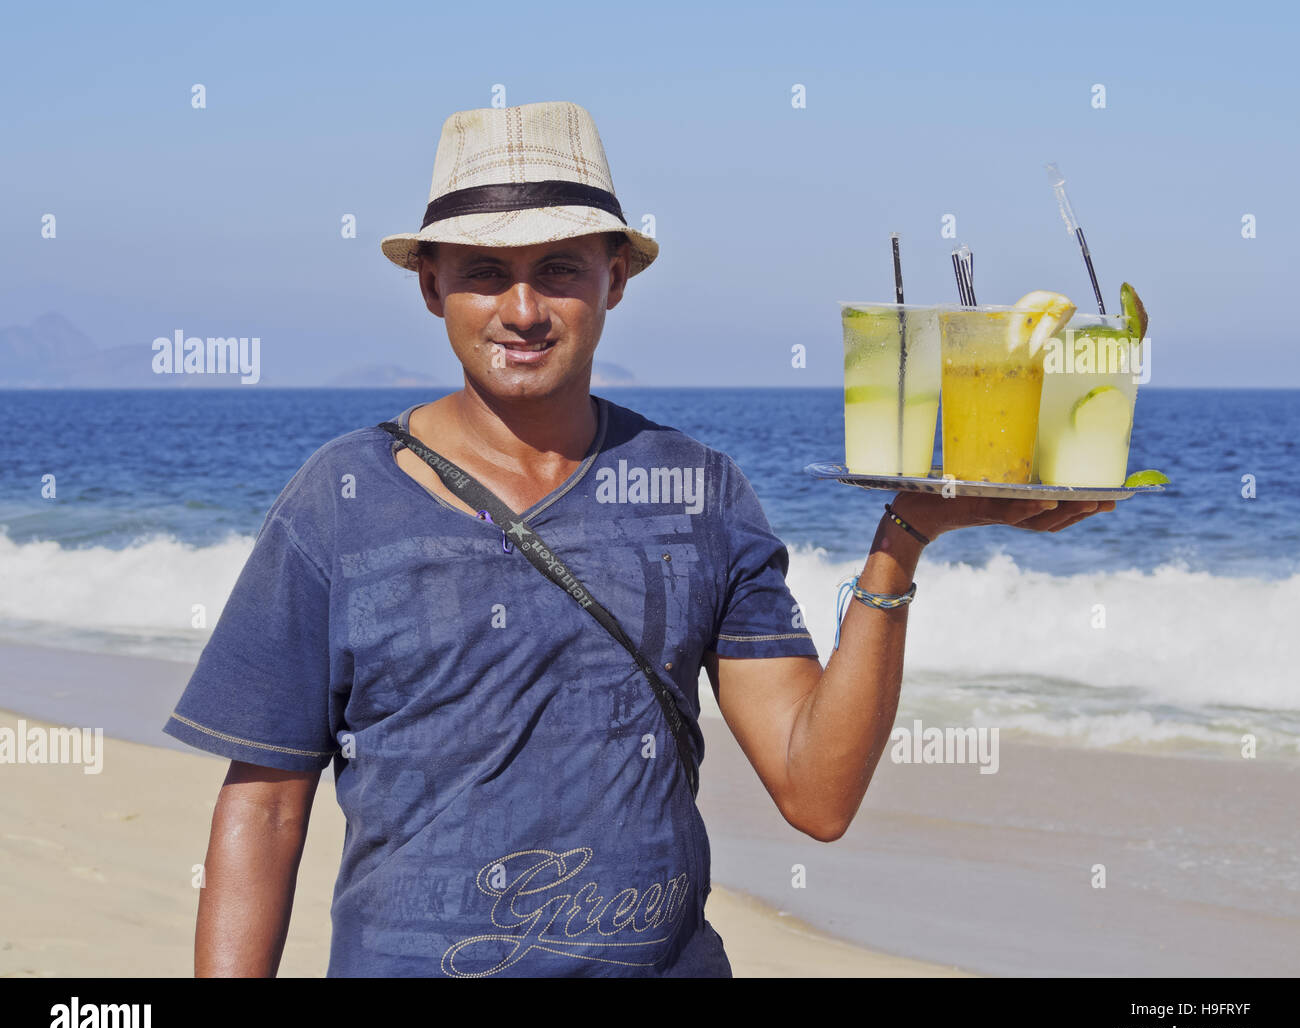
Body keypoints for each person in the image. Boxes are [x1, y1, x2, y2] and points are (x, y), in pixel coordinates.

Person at [163, 100, 1113, 978]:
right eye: (486, 272)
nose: (523, 309)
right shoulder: (340, 497)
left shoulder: (698, 492)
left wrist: (904, 534)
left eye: (560, 270)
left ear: (615, 278)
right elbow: (265, 801)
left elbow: (816, 793)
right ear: (431, 285)